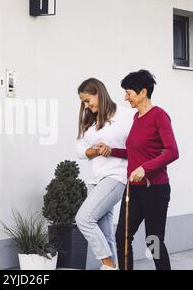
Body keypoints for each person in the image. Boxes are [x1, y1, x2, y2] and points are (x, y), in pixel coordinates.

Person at [99, 70, 179, 270]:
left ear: (143, 92)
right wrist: (112, 151)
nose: (126, 98)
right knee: (122, 236)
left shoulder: (159, 116)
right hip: (134, 189)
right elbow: (136, 152)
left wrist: (145, 168)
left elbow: (172, 152)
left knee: (154, 241)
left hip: (155, 189)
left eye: (129, 93)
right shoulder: (137, 118)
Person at [74, 78, 133, 270]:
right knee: (105, 233)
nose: (86, 105)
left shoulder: (126, 115)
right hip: (96, 179)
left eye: (87, 100)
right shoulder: (90, 120)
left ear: (98, 93)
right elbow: (80, 149)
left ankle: (107, 264)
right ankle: (113, 265)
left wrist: (112, 150)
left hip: (116, 176)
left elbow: (137, 145)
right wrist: (95, 150)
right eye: (83, 102)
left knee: (83, 218)